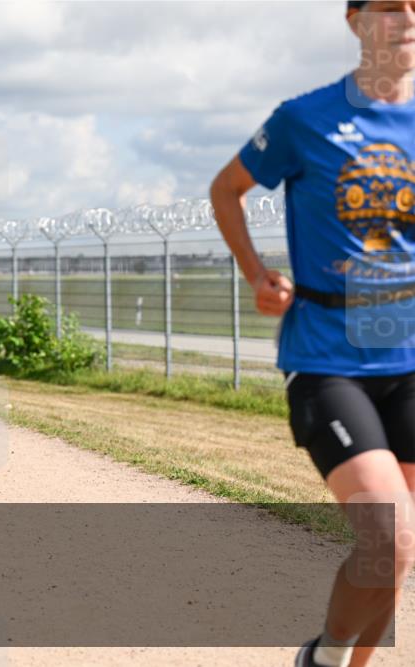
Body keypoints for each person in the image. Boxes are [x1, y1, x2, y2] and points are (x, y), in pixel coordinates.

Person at [209, 4, 415, 666]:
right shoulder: (304, 118)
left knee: (400, 545)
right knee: (390, 533)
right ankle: (324, 658)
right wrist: (257, 274)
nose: (407, 17)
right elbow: (226, 189)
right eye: (390, 5)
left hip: (409, 356)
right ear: (355, 20)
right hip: (327, 354)